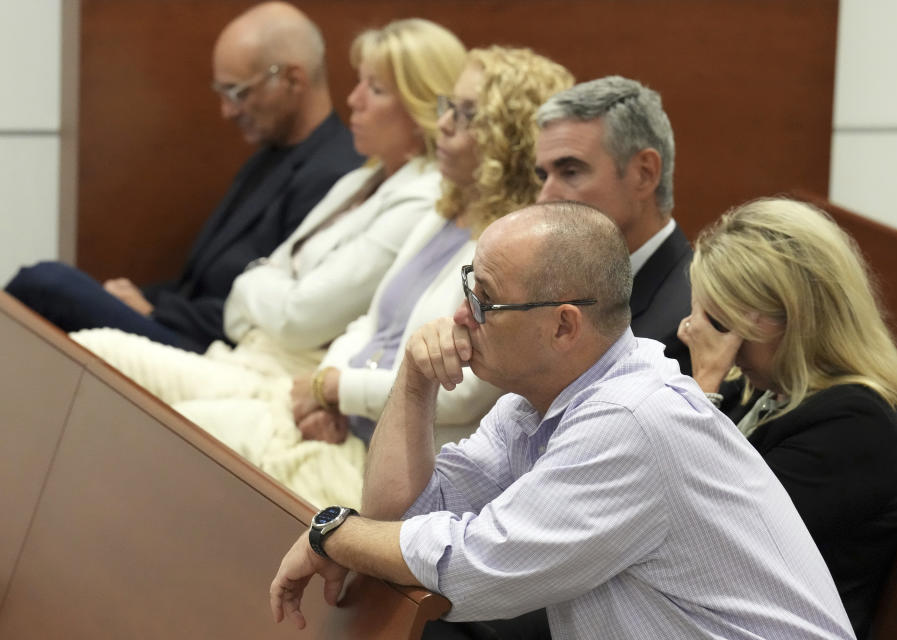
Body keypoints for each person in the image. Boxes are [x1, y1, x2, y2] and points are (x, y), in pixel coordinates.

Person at [268, 201, 856, 640]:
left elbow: (473, 569)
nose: (460, 317)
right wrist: (414, 380)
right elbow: (402, 518)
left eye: (484, 301)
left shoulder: (631, 420)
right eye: (468, 288)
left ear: (564, 326)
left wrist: (332, 531)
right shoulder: (533, 407)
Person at [67, 19, 468, 508]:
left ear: (421, 105)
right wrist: (267, 287)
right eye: (359, 81)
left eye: (376, 88)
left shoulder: (423, 197)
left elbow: (302, 318)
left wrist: (266, 288)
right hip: (247, 357)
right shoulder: (359, 181)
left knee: (137, 425)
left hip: (279, 378)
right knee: (86, 354)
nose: (355, 99)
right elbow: (260, 297)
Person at [5, 2, 362, 353]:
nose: (228, 111)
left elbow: (285, 311)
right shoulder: (268, 157)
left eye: (239, 93)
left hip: (219, 348)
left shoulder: (336, 176)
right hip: (181, 320)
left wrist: (156, 310)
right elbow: (195, 283)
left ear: (292, 79)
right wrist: (138, 299)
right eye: (222, 93)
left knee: (45, 284)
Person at [289, 46, 575, 449]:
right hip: (345, 429)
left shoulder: (518, 252)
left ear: (512, 139)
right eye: (448, 106)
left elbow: (461, 390)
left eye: (465, 114)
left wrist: (338, 389)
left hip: (410, 462)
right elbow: (369, 323)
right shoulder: (444, 211)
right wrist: (325, 393)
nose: (442, 124)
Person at [677, 197, 897, 639]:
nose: (692, 332)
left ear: (794, 320)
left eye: (719, 322)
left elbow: (703, 542)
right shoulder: (757, 393)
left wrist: (702, 386)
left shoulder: (857, 427)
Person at [533, 76, 692, 374]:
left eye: (570, 171)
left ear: (644, 174)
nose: (545, 198)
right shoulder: (556, 291)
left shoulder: (690, 322)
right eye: (543, 177)